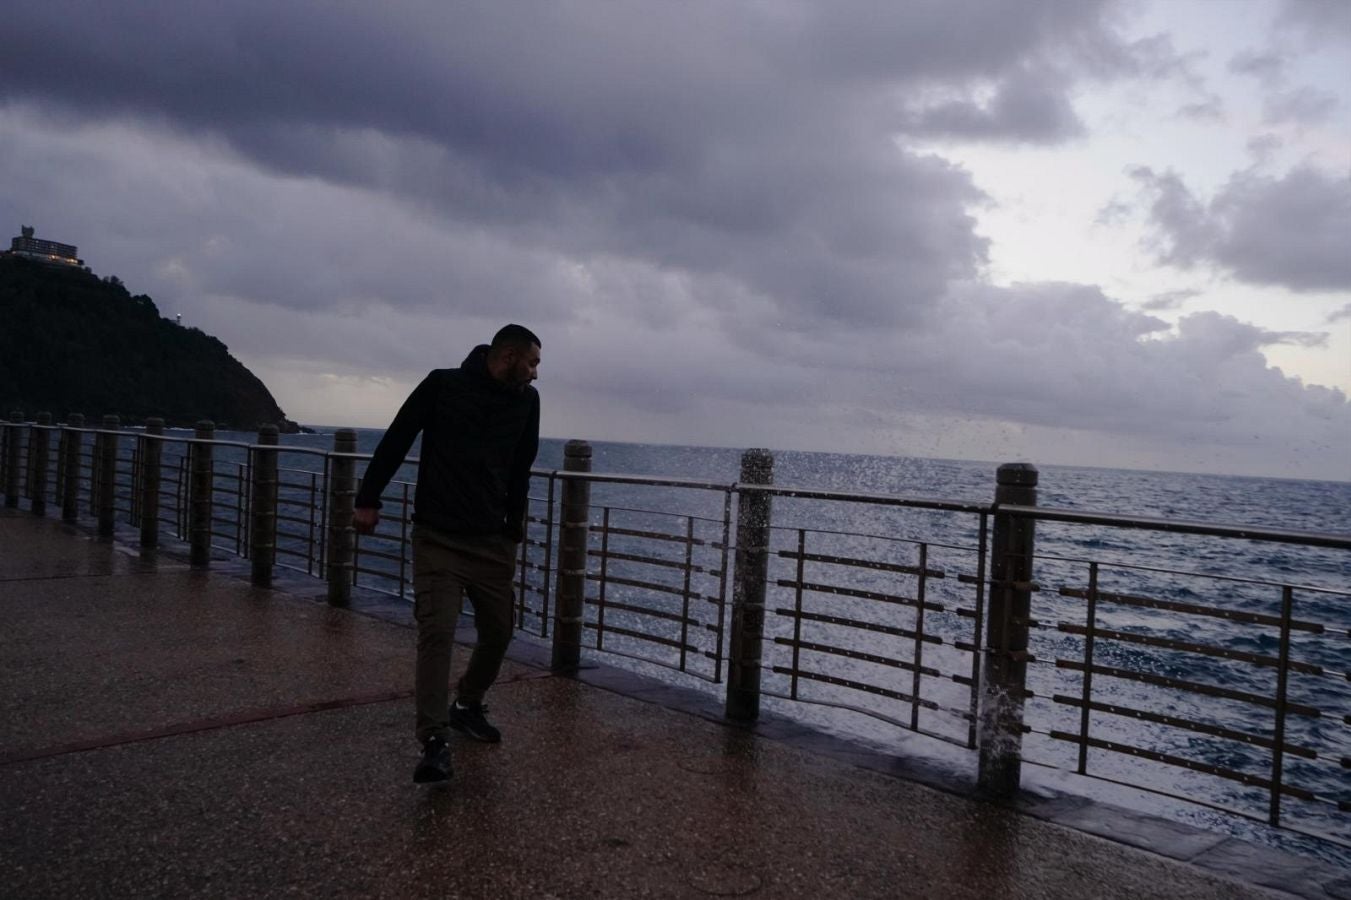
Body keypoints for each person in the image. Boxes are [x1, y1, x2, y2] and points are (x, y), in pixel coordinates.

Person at [353, 324, 541, 783]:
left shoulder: (527, 402)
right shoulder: (443, 385)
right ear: (509, 355)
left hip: (491, 542)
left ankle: (468, 704)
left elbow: (523, 464)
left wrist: (513, 526)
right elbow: (397, 438)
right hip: (437, 538)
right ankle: (433, 741)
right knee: (437, 632)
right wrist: (368, 498)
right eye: (533, 363)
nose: (536, 374)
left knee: (498, 633)